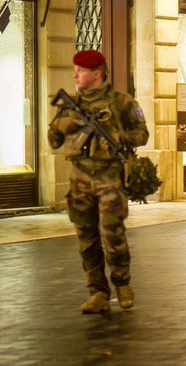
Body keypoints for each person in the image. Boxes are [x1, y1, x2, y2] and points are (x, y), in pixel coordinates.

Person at [47, 50, 150, 314]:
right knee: (86, 239)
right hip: (79, 179)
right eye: (75, 70)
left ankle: (122, 284)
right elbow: (53, 141)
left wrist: (120, 136)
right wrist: (64, 124)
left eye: (80, 70)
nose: (75, 75)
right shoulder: (69, 105)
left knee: (112, 234)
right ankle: (97, 293)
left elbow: (142, 134)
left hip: (109, 178)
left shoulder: (122, 103)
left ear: (97, 73)